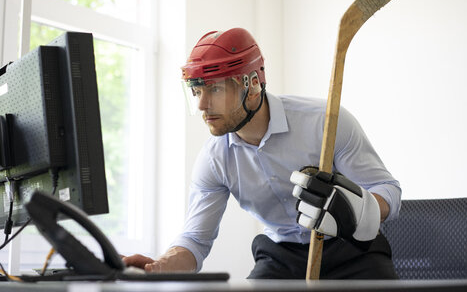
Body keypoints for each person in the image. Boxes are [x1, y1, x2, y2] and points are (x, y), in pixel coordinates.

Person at [123, 27, 401, 279]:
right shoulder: (214, 159)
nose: (202, 105)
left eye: (215, 88)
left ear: (252, 86)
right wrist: (159, 267)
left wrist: (354, 207)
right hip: (281, 257)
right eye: (196, 91)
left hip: (351, 252)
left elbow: (388, 190)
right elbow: (196, 240)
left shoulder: (325, 122)